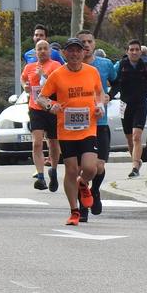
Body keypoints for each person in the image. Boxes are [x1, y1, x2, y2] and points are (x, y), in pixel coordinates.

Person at [36, 38, 104, 226]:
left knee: (90, 168)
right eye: (70, 51)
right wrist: (51, 106)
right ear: (64, 54)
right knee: (71, 170)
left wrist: (99, 107)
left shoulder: (92, 72)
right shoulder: (57, 75)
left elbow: (100, 93)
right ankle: (74, 210)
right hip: (66, 130)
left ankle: (83, 184)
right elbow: (41, 97)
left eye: (78, 51)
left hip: (88, 127)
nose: (74, 54)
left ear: (83, 53)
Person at [78, 30, 117, 221]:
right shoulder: (71, 68)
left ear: (94, 44)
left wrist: (111, 94)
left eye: (89, 41)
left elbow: (118, 81)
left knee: (99, 167)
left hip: (100, 123)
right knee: (83, 169)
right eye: (82, 42)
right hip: (78, 126)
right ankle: (82, 206)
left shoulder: (105, 64)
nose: (86, 45)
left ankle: (95, 191)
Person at [110, 39, 147, 177]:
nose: (134, 52)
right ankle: (136, 160)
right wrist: (108, 94)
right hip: (124, 105)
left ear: (140, 52)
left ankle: (135, 167)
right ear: (127, 51)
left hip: (141, 105)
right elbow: (111, 79)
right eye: (131, 49)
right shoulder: (120, 65)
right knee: (129, 138)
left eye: (137, 49)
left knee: (137, 136)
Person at [21, 39, 62, 191]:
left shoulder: (55, 66)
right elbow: (24, 78)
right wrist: (25, 85)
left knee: (52, 142)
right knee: (37, 142)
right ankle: (40, 176)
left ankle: (54, 170)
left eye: (45, 49)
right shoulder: (30, 66)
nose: (43, 51)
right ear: (35, 52)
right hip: (35, 107)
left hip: (51, 108)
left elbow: (58, 85)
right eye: (40, 49)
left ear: (49, 51)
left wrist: (43, 75)